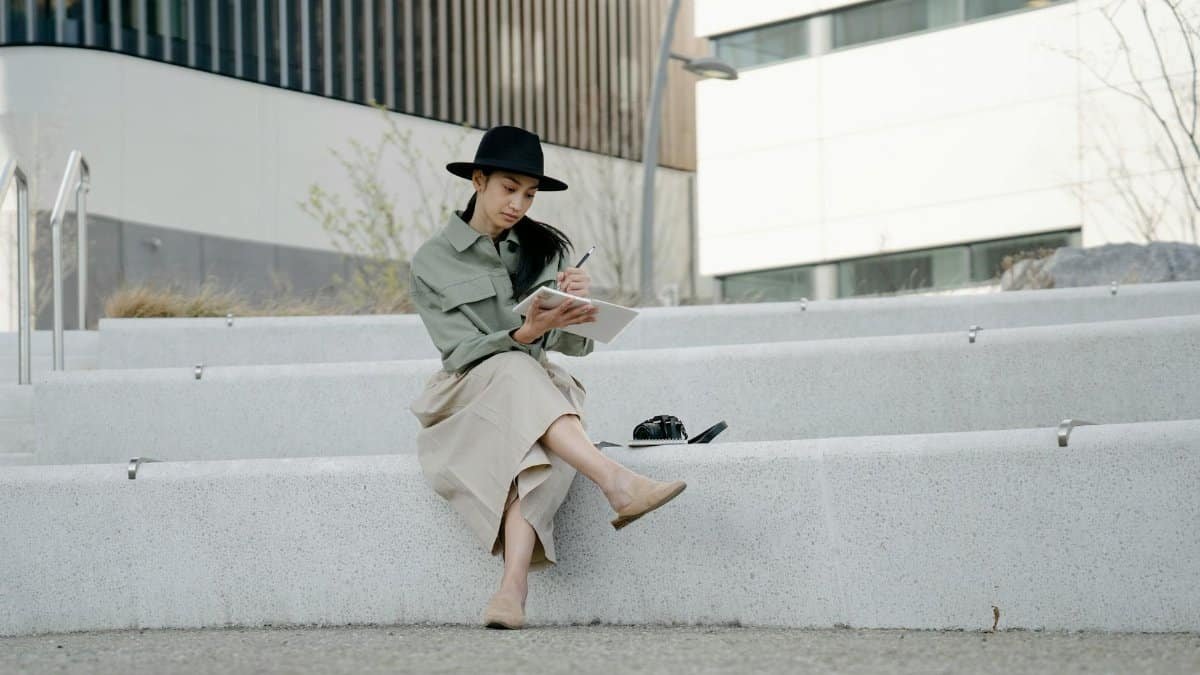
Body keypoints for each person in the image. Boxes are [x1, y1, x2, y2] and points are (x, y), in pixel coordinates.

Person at [407, 125, 687, 630]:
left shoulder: (544, 248)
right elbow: (459, 351)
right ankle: (616, 481)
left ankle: (511, 591)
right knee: (520, 375)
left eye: (529, 194)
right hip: (465, 395)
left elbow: (573, 346)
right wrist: (525, 331)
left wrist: (575, 303)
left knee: (538, 444)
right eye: (509, 189)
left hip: (531, 391)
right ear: (478, 180)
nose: (519, 203)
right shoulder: (432, 260)